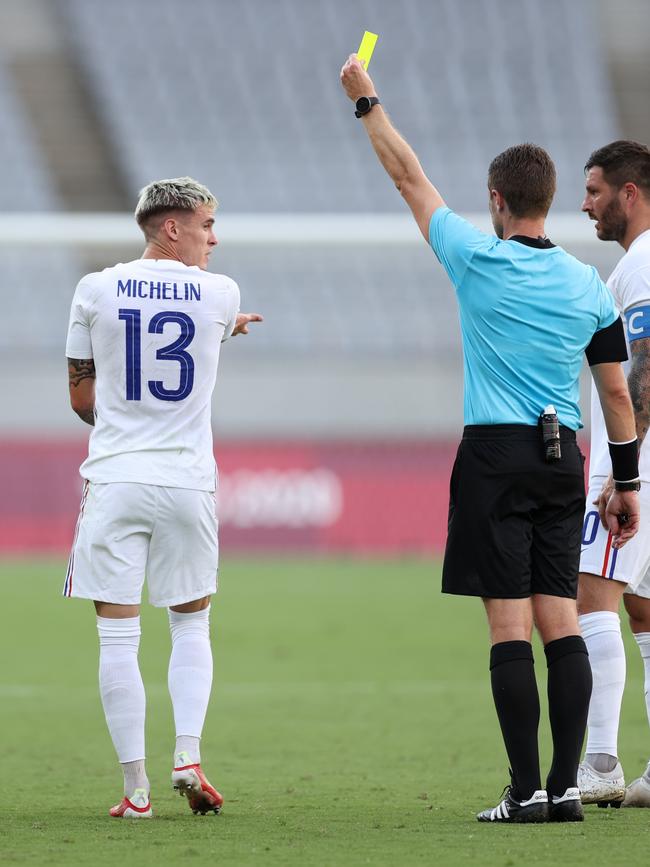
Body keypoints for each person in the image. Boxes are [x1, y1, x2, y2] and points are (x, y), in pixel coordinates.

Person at [339, 55, 640, 824]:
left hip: (492, 456)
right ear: (548, 201)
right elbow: (614, 390)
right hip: (561, 460)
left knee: (509, 630)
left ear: (498, 200)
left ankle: (525, 787)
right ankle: (569, 786)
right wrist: (628, 482)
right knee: (562, 621)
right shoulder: (586, 284)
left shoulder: (475, 258)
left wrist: (367, 100)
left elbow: (408, 177)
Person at [65, 177, 262, 819]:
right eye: (206, 223)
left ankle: (136, 792)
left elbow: (82, 398)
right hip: (187, 483)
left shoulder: (94, 288)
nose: (214, 236)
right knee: (192, 622)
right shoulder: (220, 293)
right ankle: (187, 755)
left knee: (117, 640)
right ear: (171, 227)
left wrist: (128, 419)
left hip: (116, 477)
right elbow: (196, 329)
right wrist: (228, 329)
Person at [577, 141, 650, 808]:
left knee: (590, 597)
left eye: (595, 190)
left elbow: (646, 366)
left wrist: (624, 472)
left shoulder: (643, 262)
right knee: (645, 614)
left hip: (638, 472)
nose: (586, 203)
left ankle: (599, 762)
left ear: (630, 194)